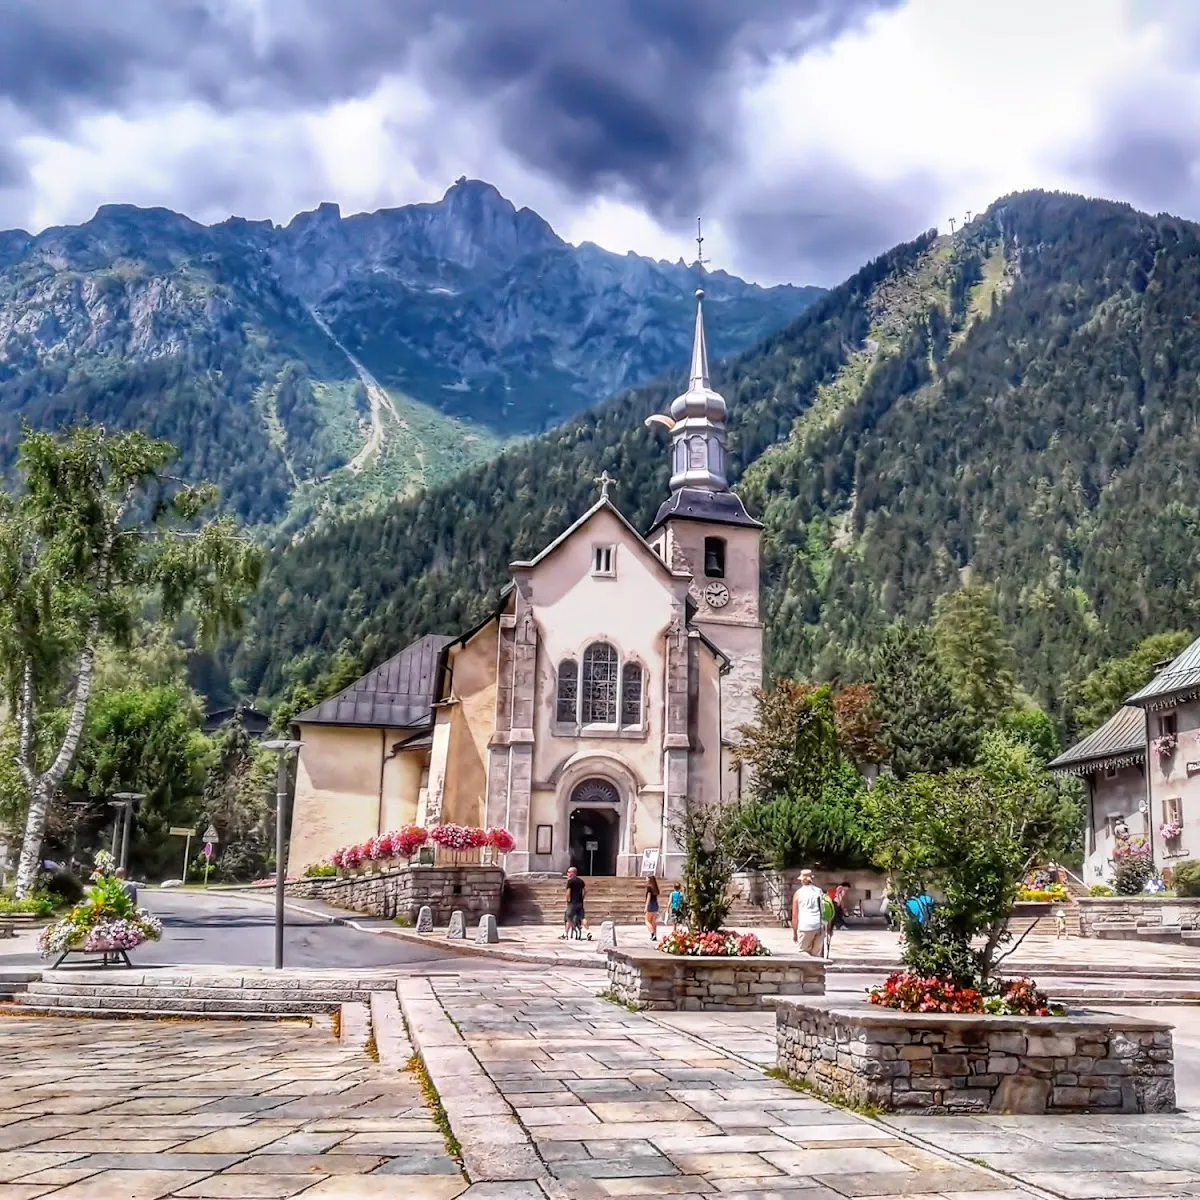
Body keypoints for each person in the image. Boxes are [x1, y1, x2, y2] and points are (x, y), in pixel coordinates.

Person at [791, 868, 826, 957]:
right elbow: (824, 909)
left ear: (802, 881)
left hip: (805, 926)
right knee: (817, 954)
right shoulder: (819, 891)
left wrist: (794, 932)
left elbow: (795, 915)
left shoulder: (798, 893)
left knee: (803, 953)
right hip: (819, 925)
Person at [560, 867, 591, 940]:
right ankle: (588, 932)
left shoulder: (570, 881)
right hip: (580, 903)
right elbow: (585, 891)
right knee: (582, 918)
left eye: (568, 872)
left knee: (568, 918)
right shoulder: (581, 881)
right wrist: (582, 898)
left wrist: (567, 900)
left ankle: (566, 934)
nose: (567, 874)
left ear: (573, 873)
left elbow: (568, 892)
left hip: (572, 903)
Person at [644, 874, 660, 942]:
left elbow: (648, 898)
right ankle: (655, 935)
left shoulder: (649, 888)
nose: (646, 880)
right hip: (655, 905)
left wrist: (646, 907)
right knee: (653, 921)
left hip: (650, 905)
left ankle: (652, 934)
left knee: (647, 921)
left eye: (647, 878)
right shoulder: (655, 888)